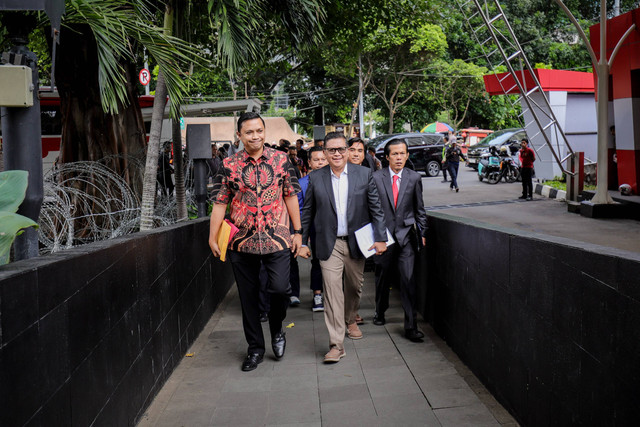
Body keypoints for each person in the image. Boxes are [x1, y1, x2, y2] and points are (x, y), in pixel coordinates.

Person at [208, 112, 303, 372]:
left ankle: (277, 329)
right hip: (242, 242)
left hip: (278, 238)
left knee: (280, 289)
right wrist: (212, 237)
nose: (255, 136)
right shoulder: (227, 165)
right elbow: (219, 203)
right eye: (249, 132)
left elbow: (291, 196)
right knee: (248, 299)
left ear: (264, 131)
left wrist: (298, 231)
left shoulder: (282, 159)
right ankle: (255, 349)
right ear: (239, 135)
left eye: (259, 130)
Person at [298, 131, 387, 363]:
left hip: (357, 243)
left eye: (341, 149)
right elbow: (307, 212)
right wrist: (302, 241)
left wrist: (380, 238)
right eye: (331, 150)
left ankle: (349, 319)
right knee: (332, 293)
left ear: (347, 151)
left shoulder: (364, 174)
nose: (337, 153)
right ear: (325, 153)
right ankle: (336, 344)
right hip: (329, 244)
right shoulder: (316, 178)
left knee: (354, 288)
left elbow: (376, 208)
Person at [372, 139, 428, 342]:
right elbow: (372, 209)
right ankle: (380, 310)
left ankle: (411, 326)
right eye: (394, 154)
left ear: (407, 155)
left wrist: (422, 232)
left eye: (402, 153)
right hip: (383, 238)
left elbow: (419, 209)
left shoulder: (414, 178)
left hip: (406, 238)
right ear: (387, 157)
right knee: (382, 278)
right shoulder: (377, 177)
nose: (399, 157)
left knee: (408, 280)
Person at [297, 146, 328, 311]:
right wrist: (303, 236)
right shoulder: (302, 184)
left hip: (333, 229)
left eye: (323, 159)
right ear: (309, 162)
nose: (320, 163)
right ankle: (317, 294)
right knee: (317, 262)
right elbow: (301, 211)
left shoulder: (334, 179)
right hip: (315, 230)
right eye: (316, 160)